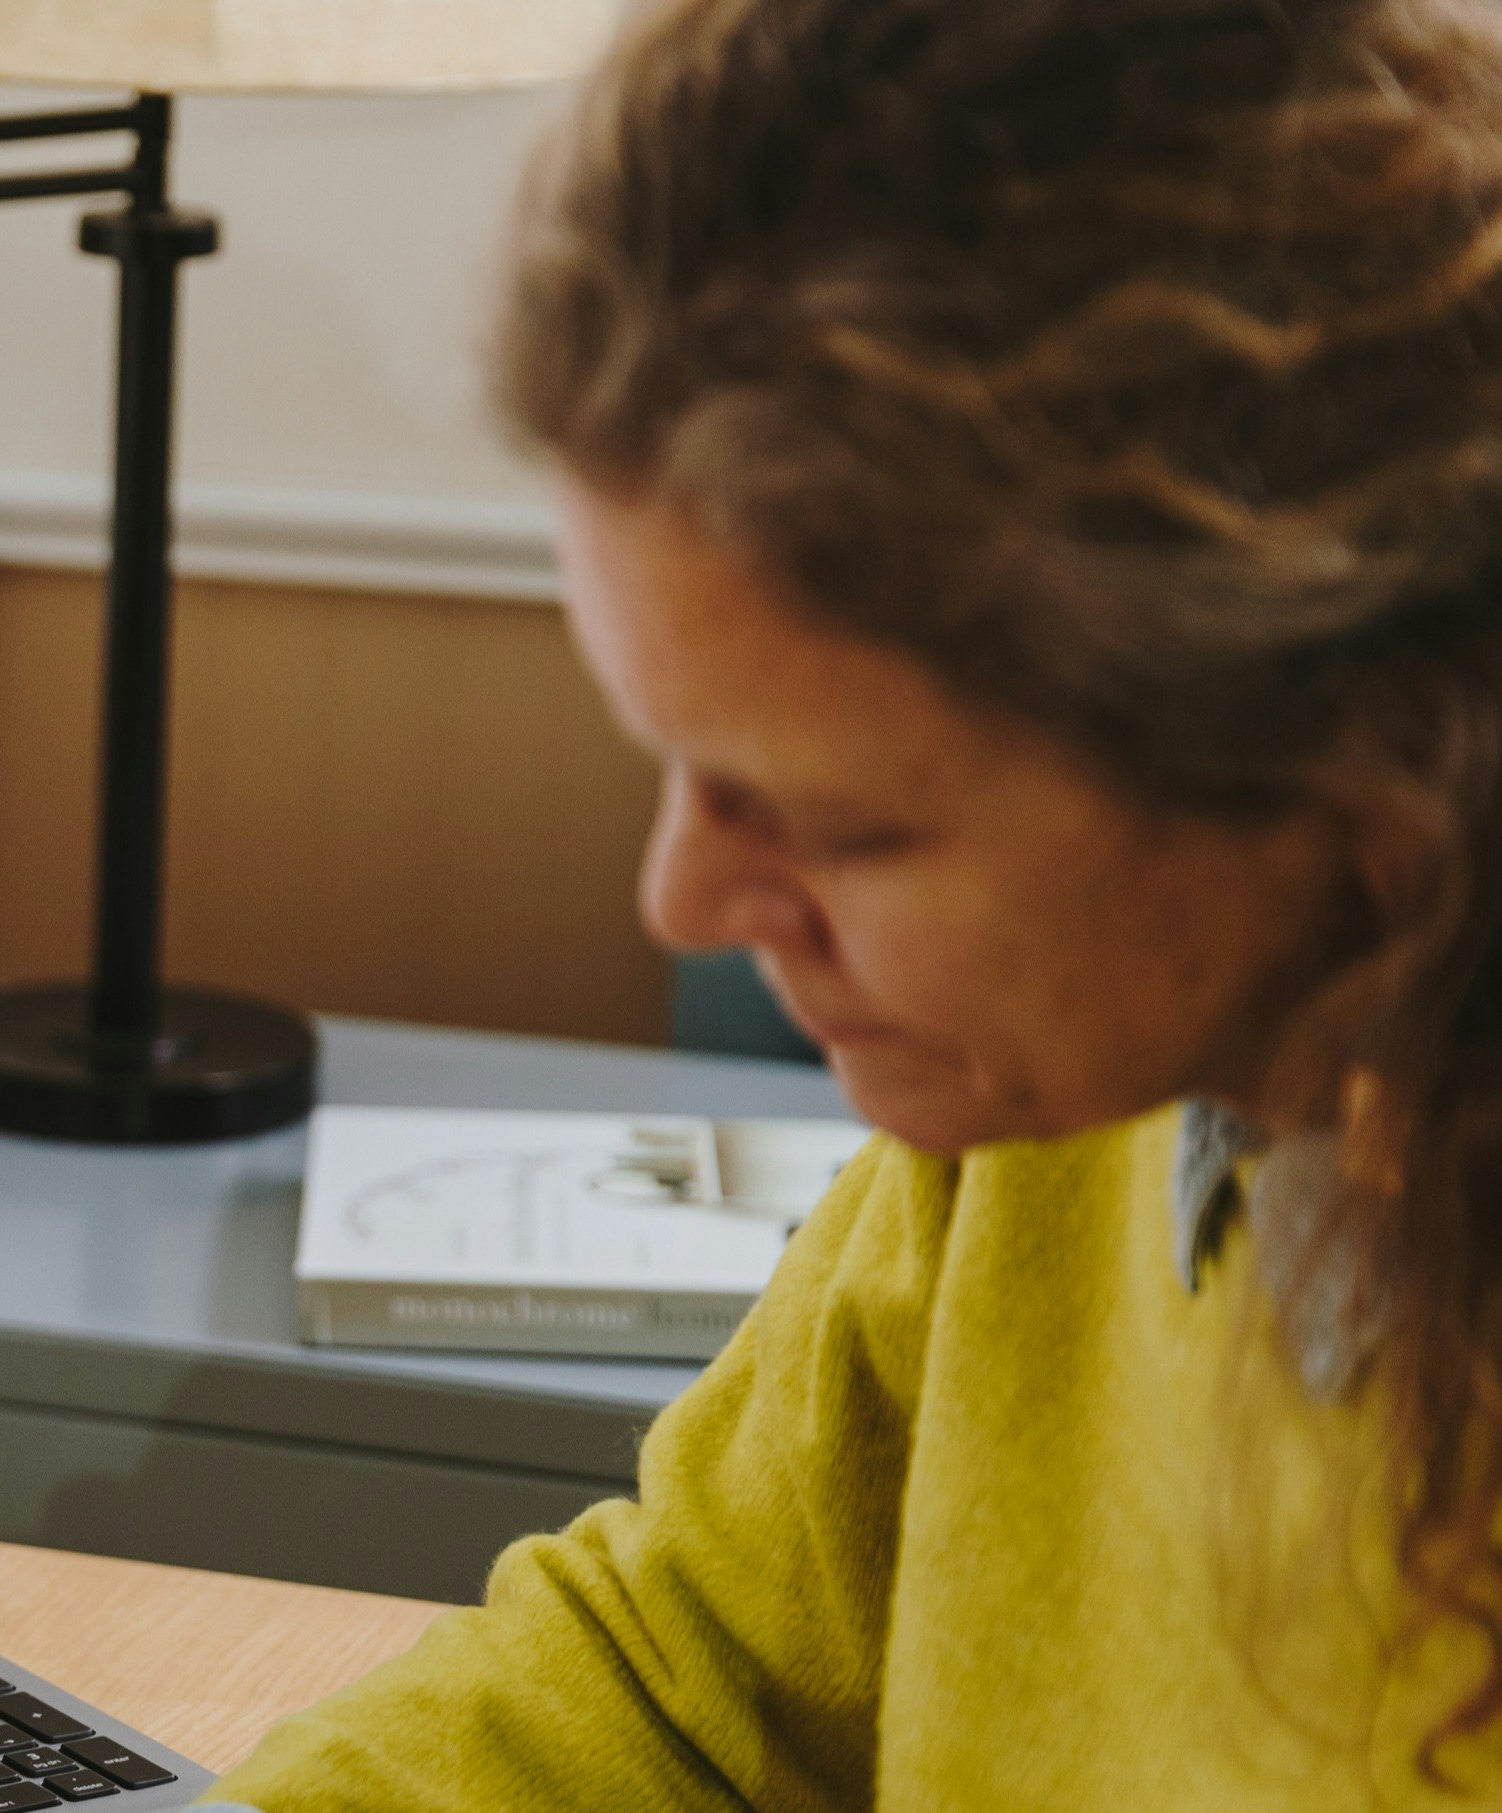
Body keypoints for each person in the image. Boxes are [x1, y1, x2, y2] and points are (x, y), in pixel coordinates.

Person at [200, 0, 1502, 1805]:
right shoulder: (1053, 1101)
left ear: (1352, 773)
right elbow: (682, 1672)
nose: (680, 897)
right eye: (679, 762)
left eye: (845, 824)